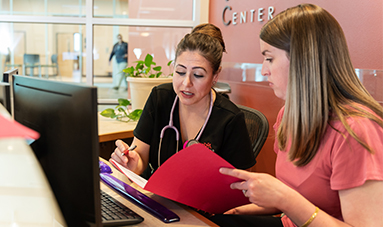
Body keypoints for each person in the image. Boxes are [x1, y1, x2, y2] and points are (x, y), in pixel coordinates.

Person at [212, 4, 383, 227]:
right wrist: (244, 207)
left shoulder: (356, 130)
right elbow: (299, 198)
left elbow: (293, 200)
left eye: (269, 58)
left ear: (302, 60)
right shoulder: (288, 115)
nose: (264, 70)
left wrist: (284, 197)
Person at [110, 23, 255, 179]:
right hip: (156, 197)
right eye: (180, 72)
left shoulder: (230, 119)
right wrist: (133, 163)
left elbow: (241, 184)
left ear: (215, 76)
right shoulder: (160, 98)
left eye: (198, 75)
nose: (186, 83)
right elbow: (140, 157)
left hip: (204, 202)